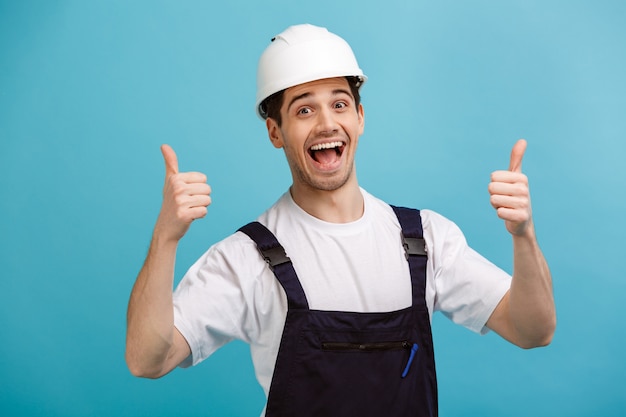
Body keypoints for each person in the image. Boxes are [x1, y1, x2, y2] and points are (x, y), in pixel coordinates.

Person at [125, 24, 556, 416]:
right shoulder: (246, 258)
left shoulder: (425, 240)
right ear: (275, 132)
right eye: (304, 110)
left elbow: (533, 330)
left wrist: (524, 236)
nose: (327, 123)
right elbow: (148, 360)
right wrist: (166, 237)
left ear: (360, 117)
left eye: (340, 103)